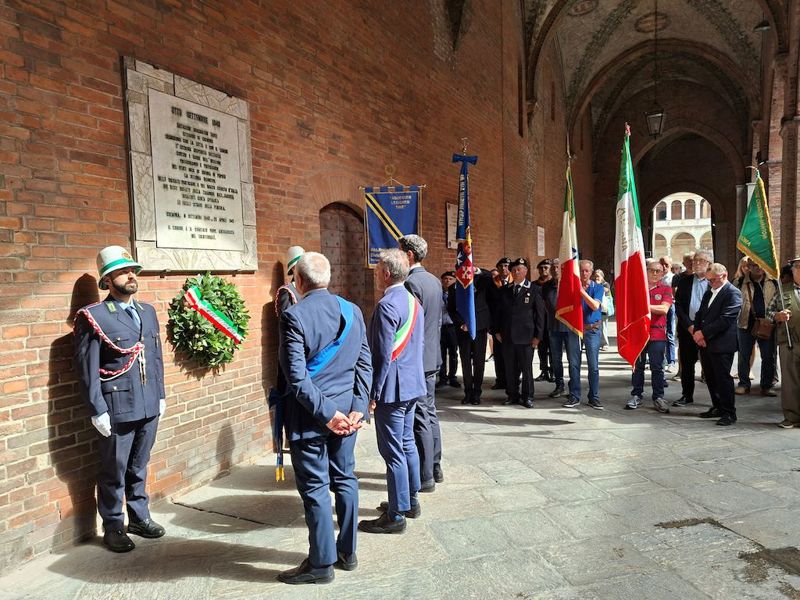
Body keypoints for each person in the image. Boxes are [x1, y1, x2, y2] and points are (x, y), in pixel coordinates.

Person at [277, 252, 372, 584]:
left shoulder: (294, 316)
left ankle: (320, 565)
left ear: (299, 280)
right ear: (327, 278)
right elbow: (365, 362)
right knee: (345, 478)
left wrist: (328, 415)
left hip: (310, 416)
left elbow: (296, 378)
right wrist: (359, 405)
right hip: (348, 412)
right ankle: (348, 551)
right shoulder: (352, 310)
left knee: (316, 488)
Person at [74, 246, 167, 553]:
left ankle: (139, 517)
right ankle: (113, 525)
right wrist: (97, 409)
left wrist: (160, 395)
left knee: (139, 465)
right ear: (107, 280)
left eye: (132, 270)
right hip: (118, 407)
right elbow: (87, 368)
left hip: (148, 403)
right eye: (122, 272)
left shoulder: (148, 311)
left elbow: (155, 357)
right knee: (114, 470)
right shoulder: (94, 316)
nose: (130, 275)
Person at [359, 249, 426, 534]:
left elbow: (382, 355)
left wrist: (373, 393)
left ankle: (396, 515)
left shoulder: (387, 305)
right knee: (407, 443)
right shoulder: (413, 301)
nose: (376, 275)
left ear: (386, 274)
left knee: (392, 451)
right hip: (412, 384)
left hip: (393, 389)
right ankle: (409, 501)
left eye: (377, 271)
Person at [399, 235, 443, 489]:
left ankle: (425, 474)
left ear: (409, 255)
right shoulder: (433, 280)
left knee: (420, 416)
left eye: (400, 251)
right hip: (432, 355)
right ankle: (435, 466)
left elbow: (410, 326)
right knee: (430, 412)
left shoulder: (410, 283)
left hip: (418, 359)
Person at [693, 262, 742, 426]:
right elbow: (700, 314)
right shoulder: (709, 292)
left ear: (724, 275)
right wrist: (697, 331)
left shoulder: (733, 293)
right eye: (708, 280)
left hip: (722, 343)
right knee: (710, 377)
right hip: (705, 342)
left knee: (723, 378)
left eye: (713, 280)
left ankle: (729, 412)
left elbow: (726, 319)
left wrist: (703, 333)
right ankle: (718, 406)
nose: (710, 283)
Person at [497, 258, 545, 408]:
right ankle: (512, 395)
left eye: (519, 269)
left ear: (525, 271)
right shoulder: (505, 290)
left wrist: (538, 336)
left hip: (526, 337)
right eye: (514, 270)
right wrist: (497, 331)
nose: (516, 272)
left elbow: (540, 315)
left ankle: (528, 396)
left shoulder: (534, 289)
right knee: (510, 368)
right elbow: (498, 313)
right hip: (508, 336)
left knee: (526, 369)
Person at [627, 259, 673, 412]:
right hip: (639, 333)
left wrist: (643, 306)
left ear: (662, 274)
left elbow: (664, 309)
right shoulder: (637, 289)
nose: (654, 273)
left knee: (657, 367)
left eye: (658, 271)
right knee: (637, 367)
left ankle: (658, 397)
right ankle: (636, 395)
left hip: (657, 334)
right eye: (651, 270)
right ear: (645, 272)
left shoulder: (666, 289)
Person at [562, 259, 606, 410]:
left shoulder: (598, 287)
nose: (584, 273)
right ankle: (574, 396)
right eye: (581, 270)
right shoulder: (571, 287)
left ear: (591, 272)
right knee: (574, 364)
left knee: (593, 365)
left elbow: (594, 306)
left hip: (592, 329)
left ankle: (594, 397)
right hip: (575, 329)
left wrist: (581, 291)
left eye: (587, 271)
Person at [448, 266, 493, 405]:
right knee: (466, 361)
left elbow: (489, 277)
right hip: (463, 330)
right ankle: (468, 392)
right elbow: (451, 309)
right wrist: (462, 323)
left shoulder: (480, 282)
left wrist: (477, 270)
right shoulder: (454, 288)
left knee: (479, 361)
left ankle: (477, 392)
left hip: (479, 328)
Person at [734, 258, 778, 397]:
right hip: (745, 323)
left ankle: (767, 386)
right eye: (754, 265)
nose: (758, 267)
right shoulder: (740, 282)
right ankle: (743, 384)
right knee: (744, 355)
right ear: (748, 266)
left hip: (767, 324)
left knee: (768, 356)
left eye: (760, 264)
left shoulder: (774, 282)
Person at [672, 250, 711, 406]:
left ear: (708, 263)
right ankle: (687, 395)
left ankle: (716, 399)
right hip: (687, 329)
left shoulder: (713, 281)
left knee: (710, 365)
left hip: (708, 330)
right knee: (687, 364)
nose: (696, 263)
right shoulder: (684, 281)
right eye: (694, 261)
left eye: (700, 260)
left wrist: (704, 329)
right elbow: (678, 305)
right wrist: (689, 325)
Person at [768, 256, 800, 428]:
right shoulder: (782, 290)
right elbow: (768, 312)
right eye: (797, 267)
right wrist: (777, 316)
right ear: (792, 271)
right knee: (790, 382)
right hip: (789, 342)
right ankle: (792, 417)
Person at [544, 258, 574, 399]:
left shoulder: (570, 284)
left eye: (558, 267)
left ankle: (573, 387)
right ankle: (559, 385)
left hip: (570, 328)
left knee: (572, 360)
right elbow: (544, 305)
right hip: (553, 328)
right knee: (556, 359)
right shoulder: (547, 286)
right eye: (553, 268)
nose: (555, 270)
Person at [488, 257, 512, 390]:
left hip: (512, 325)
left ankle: (512, 380)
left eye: (506, 265)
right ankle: (500, 380)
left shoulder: (515, 282)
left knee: (512, 354)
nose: (504, 268)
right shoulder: (492, 283)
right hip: (496, 324)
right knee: (498, 354)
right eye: (501, 266)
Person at [438, 271, 460, 389]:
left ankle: (452, 377)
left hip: (452, 326)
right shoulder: (437, 293)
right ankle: (442, 377)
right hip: (440, 326)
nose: (447, 281)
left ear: (455, 281)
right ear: (442, 280)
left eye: (450, 279)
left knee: (453, 352)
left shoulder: (457, 293)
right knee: (441, 353)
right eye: (445, 278)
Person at [533, 259, 554, 380]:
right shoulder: (534, 285)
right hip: (539, 322)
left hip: (552, 321)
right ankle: (544, 370)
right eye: (541, 268)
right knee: (541, 348)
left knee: (553, 348)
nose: (543, 270)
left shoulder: (553, 284)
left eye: (546, 267)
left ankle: (553, 371)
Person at [660, 256, 677, 371]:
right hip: (658, 307)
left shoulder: (672, 278)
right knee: (659, 333)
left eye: (666, 264)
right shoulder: (658, 277)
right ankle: (661, 360)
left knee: (670, 333)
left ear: (670, 265)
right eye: (662, 264)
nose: (664, 267)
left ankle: (671, 361)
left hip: (670, 306)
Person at [593, 269, 612, 350]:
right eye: (595, 276)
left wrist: (598, 285)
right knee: (596, 326)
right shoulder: (594, 284)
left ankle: (605, 344)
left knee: (603, 327)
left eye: (598, 276)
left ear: (602, 276)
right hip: (596, 309)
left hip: (604, 309)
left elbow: (606, 290)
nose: (596, 278)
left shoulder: (605, 284)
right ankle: (598, 343)